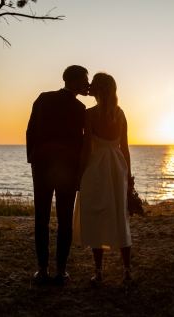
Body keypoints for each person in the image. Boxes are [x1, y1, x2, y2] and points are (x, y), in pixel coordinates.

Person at [26, 65, 89, 285]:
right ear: (74, 84)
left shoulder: (43, 98)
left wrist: (31, 158)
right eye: (85, 82)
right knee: (65, 220)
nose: (87, 85)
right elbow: (83, 142)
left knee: (41, 218)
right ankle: (61, 270)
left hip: (41, 166)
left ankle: (42, 269)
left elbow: (30, 130)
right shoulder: (80, 108)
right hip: (68, 170)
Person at [73, 72, 133, 286]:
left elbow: (86, 148)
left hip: (96, 166)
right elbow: (125, 149)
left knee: (97, 214)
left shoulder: (89, 114)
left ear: (98, 89)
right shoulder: (120, 113)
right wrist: (129, 177)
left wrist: (79, 174)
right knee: (120, 214)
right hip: (117, 166)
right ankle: (127, 271)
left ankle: (99, 272)